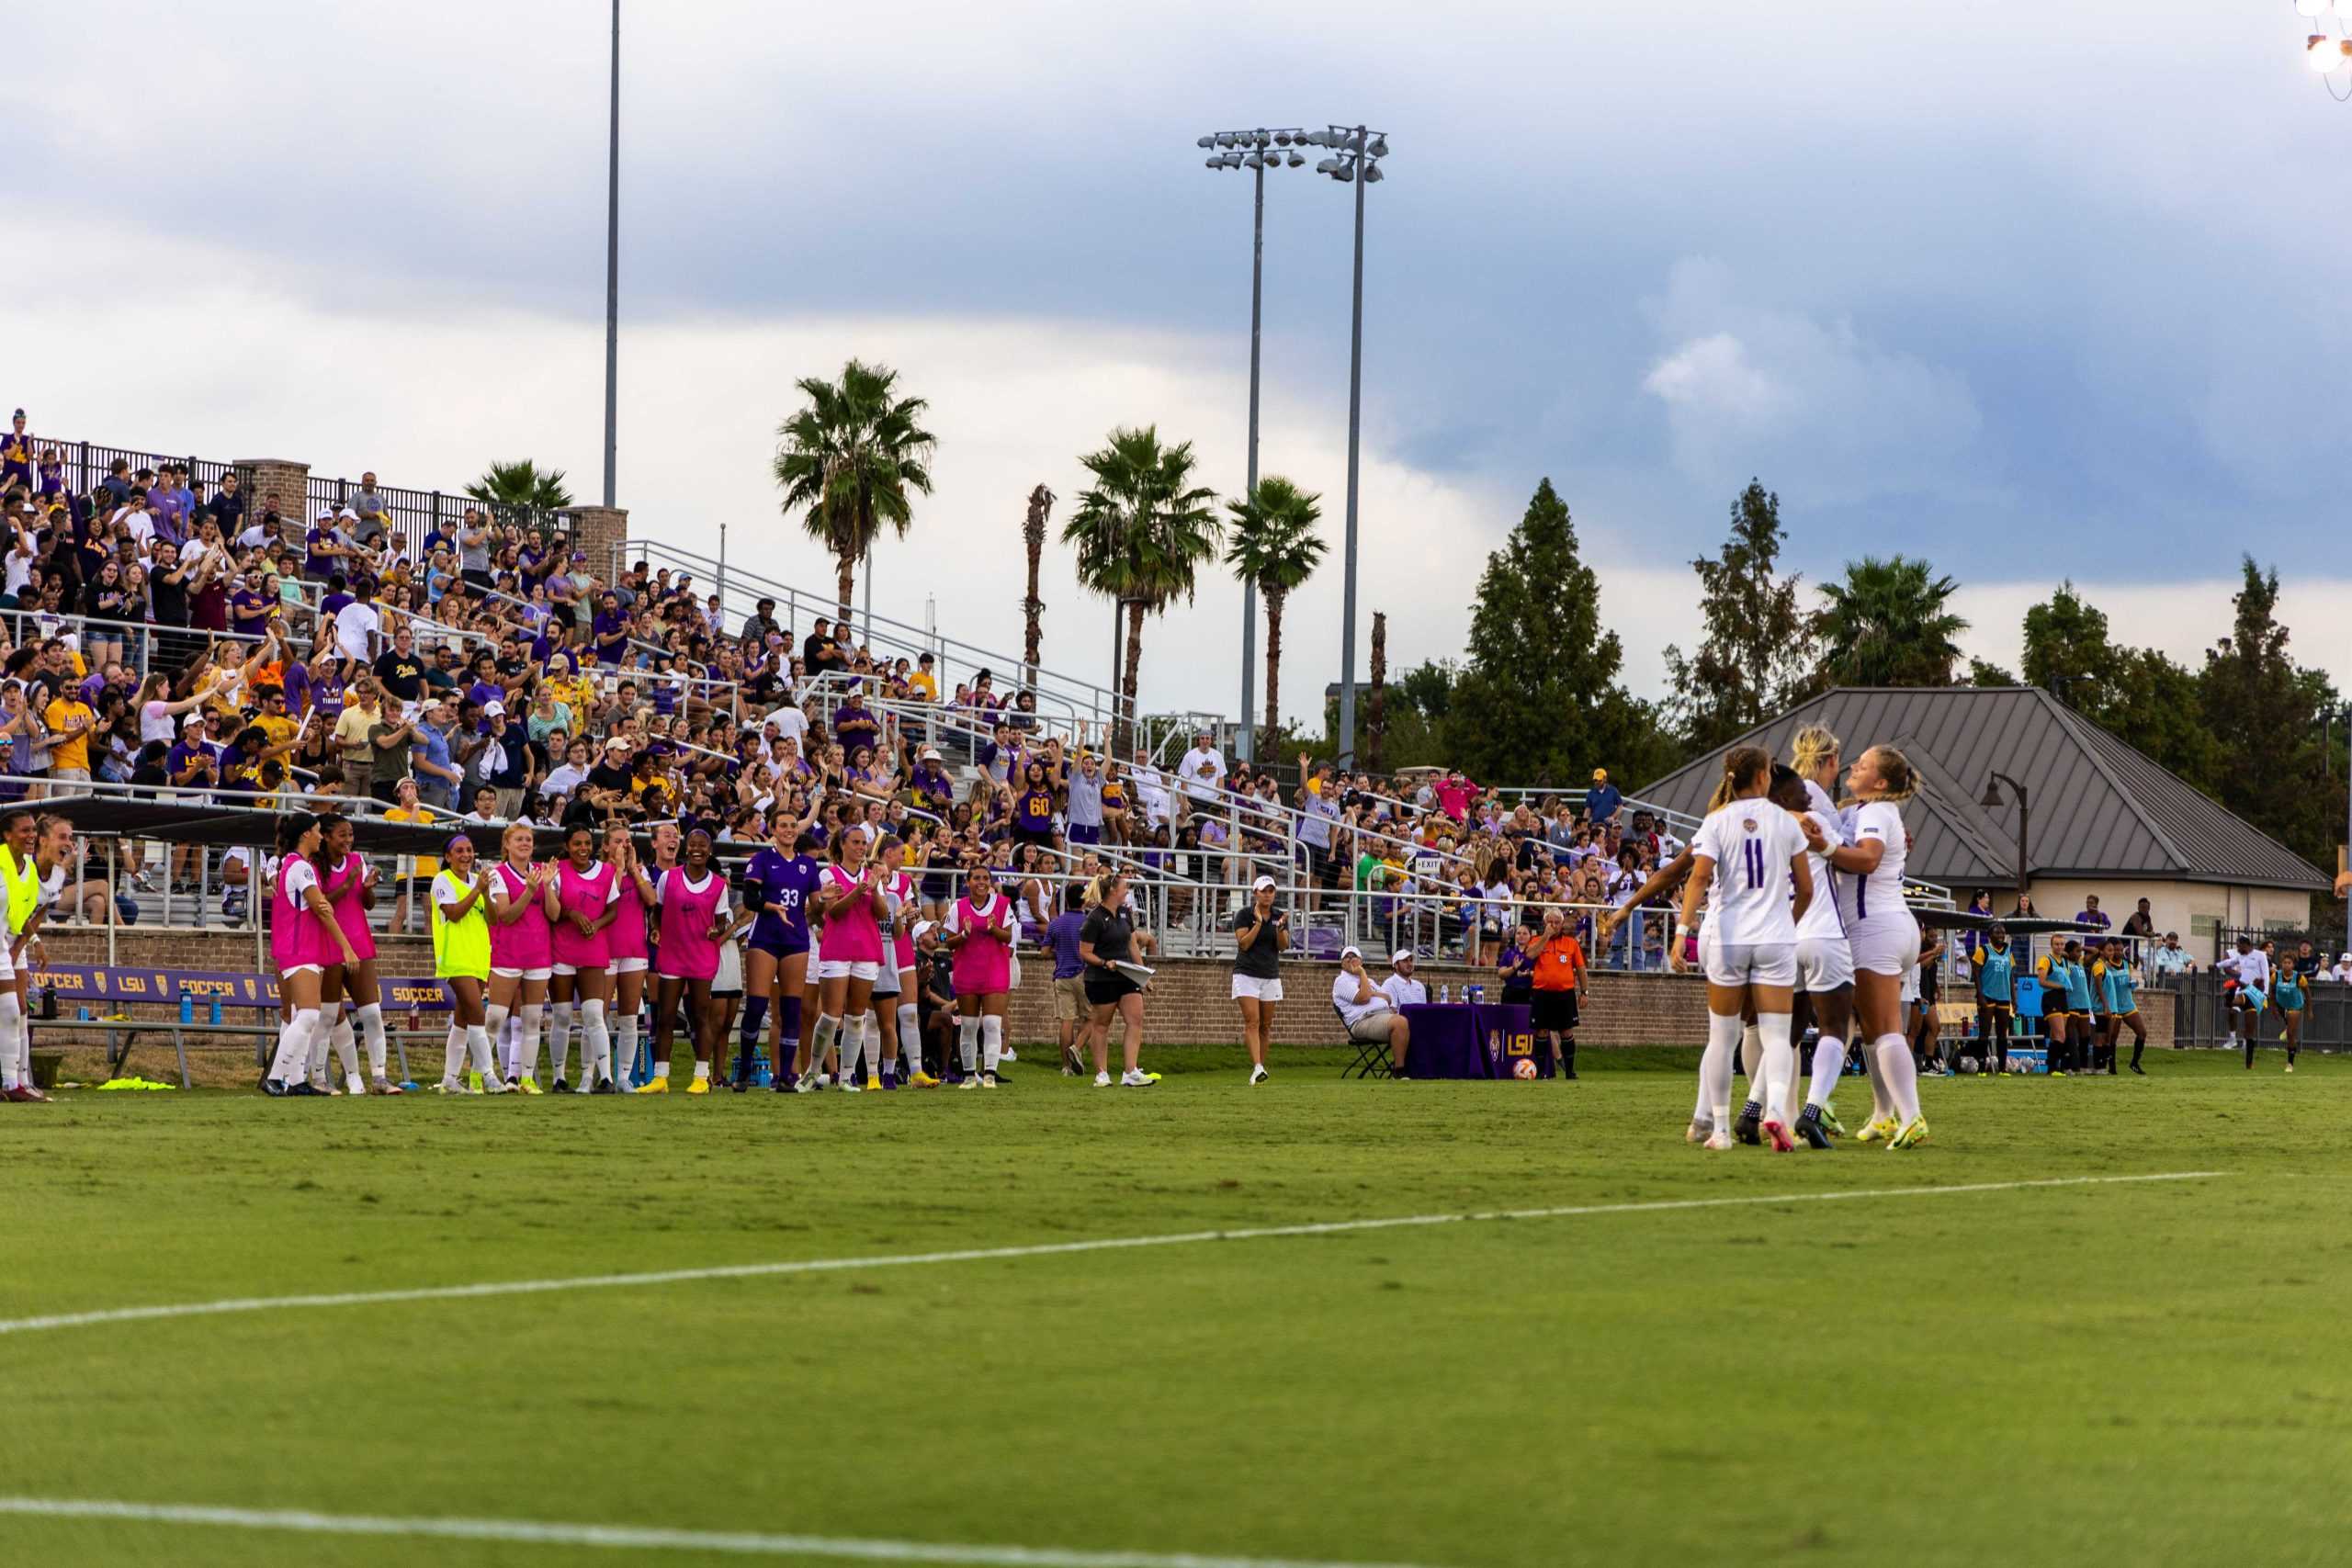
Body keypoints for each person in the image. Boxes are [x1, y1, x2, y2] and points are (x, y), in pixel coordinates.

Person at [1674, 746, 1814, 1151]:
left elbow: (1698, 879)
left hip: (1729, 937)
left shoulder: (1716, 821)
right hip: (1773, 937)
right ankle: (1773, 1111)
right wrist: (1786, 922)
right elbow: (1805, 888)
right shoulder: (1787, 823)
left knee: (1723, 1037)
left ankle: (1718, 1130)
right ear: (1763, 777)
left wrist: (1682, 932)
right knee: (1776, 1037)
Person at [1802, 744, 1927, 1149]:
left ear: (1881, 782)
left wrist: (1824, 848)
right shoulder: (1859, 809)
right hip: (1884, 925)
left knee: (1887, 1030)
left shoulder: (1875, 810)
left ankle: (1912, 1117)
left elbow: (1869, 859)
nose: (1855, 765)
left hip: (1876, 927)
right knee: (1869, 1029)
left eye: (1866, 764)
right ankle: (1883, 1115)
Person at [1772, 747, 1855, 1143]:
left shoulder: (1763, 827)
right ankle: (1812, 1110)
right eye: (1802, 795)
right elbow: (1851, 857)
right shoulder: (1812, 820)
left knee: (1785, 1035)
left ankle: (1760, 1109)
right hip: (1822, 932)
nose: (1811, 799)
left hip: (1783, 939)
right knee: (1835, 1029)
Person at [263, 814, 364, 1096]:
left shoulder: (296, 866)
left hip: (301, 947)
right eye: (318, 832)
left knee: (299, 1015)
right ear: (306, 834)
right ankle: (275, 1076)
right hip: (299, 948)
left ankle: (295, 1081)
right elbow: (322, 908)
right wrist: (346, 946)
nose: (321, 837)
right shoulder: (300, 867)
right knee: (308, 1015)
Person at [646, 826, 733, 1094]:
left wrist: (715, 931)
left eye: (702, 845)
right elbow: (656, 913)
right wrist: (656, 929)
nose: (697, 849)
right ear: (686, 848)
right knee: (666, 1016)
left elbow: (722, 923)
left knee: (700, 1016)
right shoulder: (668, 879)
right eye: (692, 845)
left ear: (710, 851)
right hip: (672, 953)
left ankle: (701, 1076)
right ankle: (661, 1077)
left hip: (701, 956)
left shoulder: (719, 885)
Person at [803, 826, 889, 1094]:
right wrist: (856, 892)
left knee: (856, 1018)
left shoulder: (871, 875)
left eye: (864, 843)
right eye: (855, 842)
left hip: (866, 950)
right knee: (830, 1015)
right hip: (837, 948)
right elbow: (834, 913)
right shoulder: (829, 873)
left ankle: (846, 1076)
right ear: (842, 844)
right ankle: (813, 1071)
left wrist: (874, 889)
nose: (861, 847)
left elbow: (882, 913)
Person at [739, 817, 821, 1092]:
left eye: (792, 826)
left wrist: (828, 900)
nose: (788, 830)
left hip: (796, 940)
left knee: (791, 1009)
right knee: (756, 1007)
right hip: (765, 938)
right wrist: (771, 906)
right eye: (782, 826)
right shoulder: (762, 859)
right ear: (773, 830)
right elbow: (750, 897)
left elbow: (816, 910)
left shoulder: (808, 865)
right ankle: (745, 1070)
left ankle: (786, 1075)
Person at [317, 814, 398, 1095]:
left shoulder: (357, 861)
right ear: (326, 837)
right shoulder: (315, 865)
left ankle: (380, 1077)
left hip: (360, 943)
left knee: (372, 1013)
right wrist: (348, 881)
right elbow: (322, 905)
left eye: (351, 834)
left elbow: (368, 905)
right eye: (342, 835)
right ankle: (319, 1077)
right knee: (327, 1016)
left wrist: (365, 887)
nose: (348, 840)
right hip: (328, 945)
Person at [544, 823, 620, 1093]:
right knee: (562, 1015)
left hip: (593, 948)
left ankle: (606, 1078)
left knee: (593, 1014)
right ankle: (559, 1078)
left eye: (587, 843)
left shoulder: (607, 871)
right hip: (562, 949)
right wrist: (572, 914)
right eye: (577, 844)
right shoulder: (557, 870)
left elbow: (613, 910)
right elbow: (551, 909)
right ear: (567, 845)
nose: (583, 849)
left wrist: (596, 925)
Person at [430, 832, 504, 1094]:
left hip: (478, 957)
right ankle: (489, 1075)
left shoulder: (478, 881)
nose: (465, 856)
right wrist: (477, 890)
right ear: (448, 857)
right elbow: (453, 913)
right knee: (477, 1014)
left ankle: (450, 1078)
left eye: (469, 850)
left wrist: (484, 893)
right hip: (455, 958)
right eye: (459, 851)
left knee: (462, 1020)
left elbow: (493, 919)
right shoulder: (442, 880)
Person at [484, 821, 554, 1092]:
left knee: (532, 1019)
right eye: (519, 840)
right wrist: (530, 890)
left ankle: (525, 1078)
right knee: (495, 1018)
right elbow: (507, 915)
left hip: (538, 955)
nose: (525, 844)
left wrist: (547, 888)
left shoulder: (541, 873)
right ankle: (481, 1075)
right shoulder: (498, 874)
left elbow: (554, 914)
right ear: (507, 845)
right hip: (507, 954)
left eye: (528, 840)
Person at [1078, 871, 1159, 1088]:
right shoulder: (1094, 918)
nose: (1127, 891)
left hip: (1127, 974)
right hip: (1102, 977)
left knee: (1136, 1019)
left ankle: (1131, 1071)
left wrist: (1143, 975)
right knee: (1102, 1024)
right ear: (1113, 890)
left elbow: (1132, 945)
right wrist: (1105, 963)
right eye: (1124, 887)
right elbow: (1085, 952)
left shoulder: (1124, 913)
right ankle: (1101, 1073)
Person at [945, 863, 1017, 1089]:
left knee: (992, 1024)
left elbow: (1008, 937)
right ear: (968, 882)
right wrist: (964, 934)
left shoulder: (1003, 904)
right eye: (976, 878)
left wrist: (994, 930)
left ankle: (989, 1074)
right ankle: (969, 1075)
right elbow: (948, 942)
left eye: (985, 878)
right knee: (968, 1025)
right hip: (967, 971)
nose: (981, 882)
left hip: (994, 971)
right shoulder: (958, 907)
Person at [602, 822, 655, 1089]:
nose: (624, 846)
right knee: (597, 1016)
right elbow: (605, 897)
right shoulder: (600, 871)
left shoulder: (639, 871)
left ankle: (623, 1076)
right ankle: (599, 1075)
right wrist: (620, 869)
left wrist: (633, 869)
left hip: (634, 949)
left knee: (629, 1017)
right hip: (604, 950)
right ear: (606, 846)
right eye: (618, 841)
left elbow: (651, 900)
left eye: (627, 841)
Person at [1230, 874, 1287, 1086]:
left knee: (1265, 1024)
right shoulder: (1245, 915)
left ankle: (1261, 1067)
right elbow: (1243, 944)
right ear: (1255, 893)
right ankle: (1257, 1066)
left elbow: (1283, 946)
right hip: (1246, 973)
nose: (1267, 895)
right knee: (1252, 1021)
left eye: (1271, 891)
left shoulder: (1278, 915)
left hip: (1270, 974)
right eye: (1263, 891)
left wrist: (1280, 929)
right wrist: (1258, 924)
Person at [1523, 905, 1587, 1080]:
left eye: (1557, 922)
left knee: (1566, 1031)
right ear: (1545, 923)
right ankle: (1541, 1071)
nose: (1554, 925)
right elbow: (1530, 956)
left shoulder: (1571, 943)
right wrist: (1546, 937)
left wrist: (1584, 992)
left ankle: (1570, 1071)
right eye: (1550, 922)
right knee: (1541, 1031)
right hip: (1541, 993)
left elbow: (1581, 968)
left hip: (1564, 994)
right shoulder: (1536, 940)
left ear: (1562, 923)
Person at [1329, 944, 1409, 1077]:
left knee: (1413, 1022)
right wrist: (1361, 973)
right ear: (1342, 963)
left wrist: (1370, 991)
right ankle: (1399, 1072)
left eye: (1354, 956)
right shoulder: (1341, 981)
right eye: (1346, 958)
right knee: (1399, 1023)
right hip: (1362, 1020)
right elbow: (1364, 998)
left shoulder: (1368, 981)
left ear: (1360, 961)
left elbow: (1388, 998)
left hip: (1383, 1015)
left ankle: (1418, 1068)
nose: (1350, 960)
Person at [1969, 922, 2018, 1076]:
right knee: (1984, 1032)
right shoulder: (1983, 950)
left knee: (2002, 1033)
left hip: (2004, 996)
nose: (2001, 936)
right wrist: (1980, 994)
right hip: (1987, 996)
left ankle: (2002, 1068)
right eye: (1997, 933)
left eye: (2003, 933)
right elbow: (1976, 973)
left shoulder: (2008, 951)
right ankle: (1982, 1067)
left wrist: (2013, 999)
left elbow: (2010, 975)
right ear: (1990, 936)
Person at [2099, 936, 2148, 1076]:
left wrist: (2134, 984)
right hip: (2114, 1006)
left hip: (2128, 1005)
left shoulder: (2127, 964)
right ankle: (2112, 1068)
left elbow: (2131, 980)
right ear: (2110, 950)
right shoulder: (2106, 965)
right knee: (2112, 1038)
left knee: (2142, 1033)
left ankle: (2134, 1063)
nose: (2120, 952)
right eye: (2116, 950)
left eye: (2121, 949)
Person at [2216, 933, 2269, 1057]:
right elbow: (2229, 962)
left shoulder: (2260, 955)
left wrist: (2265, 992)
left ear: (2246, 945)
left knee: (2249, 1018)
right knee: (2232, 1011)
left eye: (2239, 946)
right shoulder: (2241, 956)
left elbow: (2266, 974)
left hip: (2254, 990)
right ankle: (2233, 1039)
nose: (2237, 948)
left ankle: (2246, 1044)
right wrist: (2216, 965)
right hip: (2242, 988)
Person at [2267, 957, 2305, 1073]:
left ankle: (2290, 1063)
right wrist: (2273, 1008)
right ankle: (2289, 1027)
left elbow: (2307, 992)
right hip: (2281, 1005)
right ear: (2281, 964)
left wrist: (2309, 1010)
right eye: (2284, 962)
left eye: (2289, 963)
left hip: (2295, 1005)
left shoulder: (2299, 977)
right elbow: (2272, 993)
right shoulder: (2275, 976)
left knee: (2290, 1034)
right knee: (2291, 1032)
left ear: (2293, 965)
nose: (2286, 965)